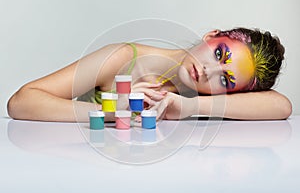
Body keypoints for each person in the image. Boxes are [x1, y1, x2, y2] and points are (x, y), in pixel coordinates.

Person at [7, 28, 292, 122]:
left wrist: (189, 107)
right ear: (211, 35)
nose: (209, 71)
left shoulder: (195, 99)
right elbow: (21, 102)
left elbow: (281, 106)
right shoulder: (122, 58)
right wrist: (113, 110)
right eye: (219, 54)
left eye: (226, 81)